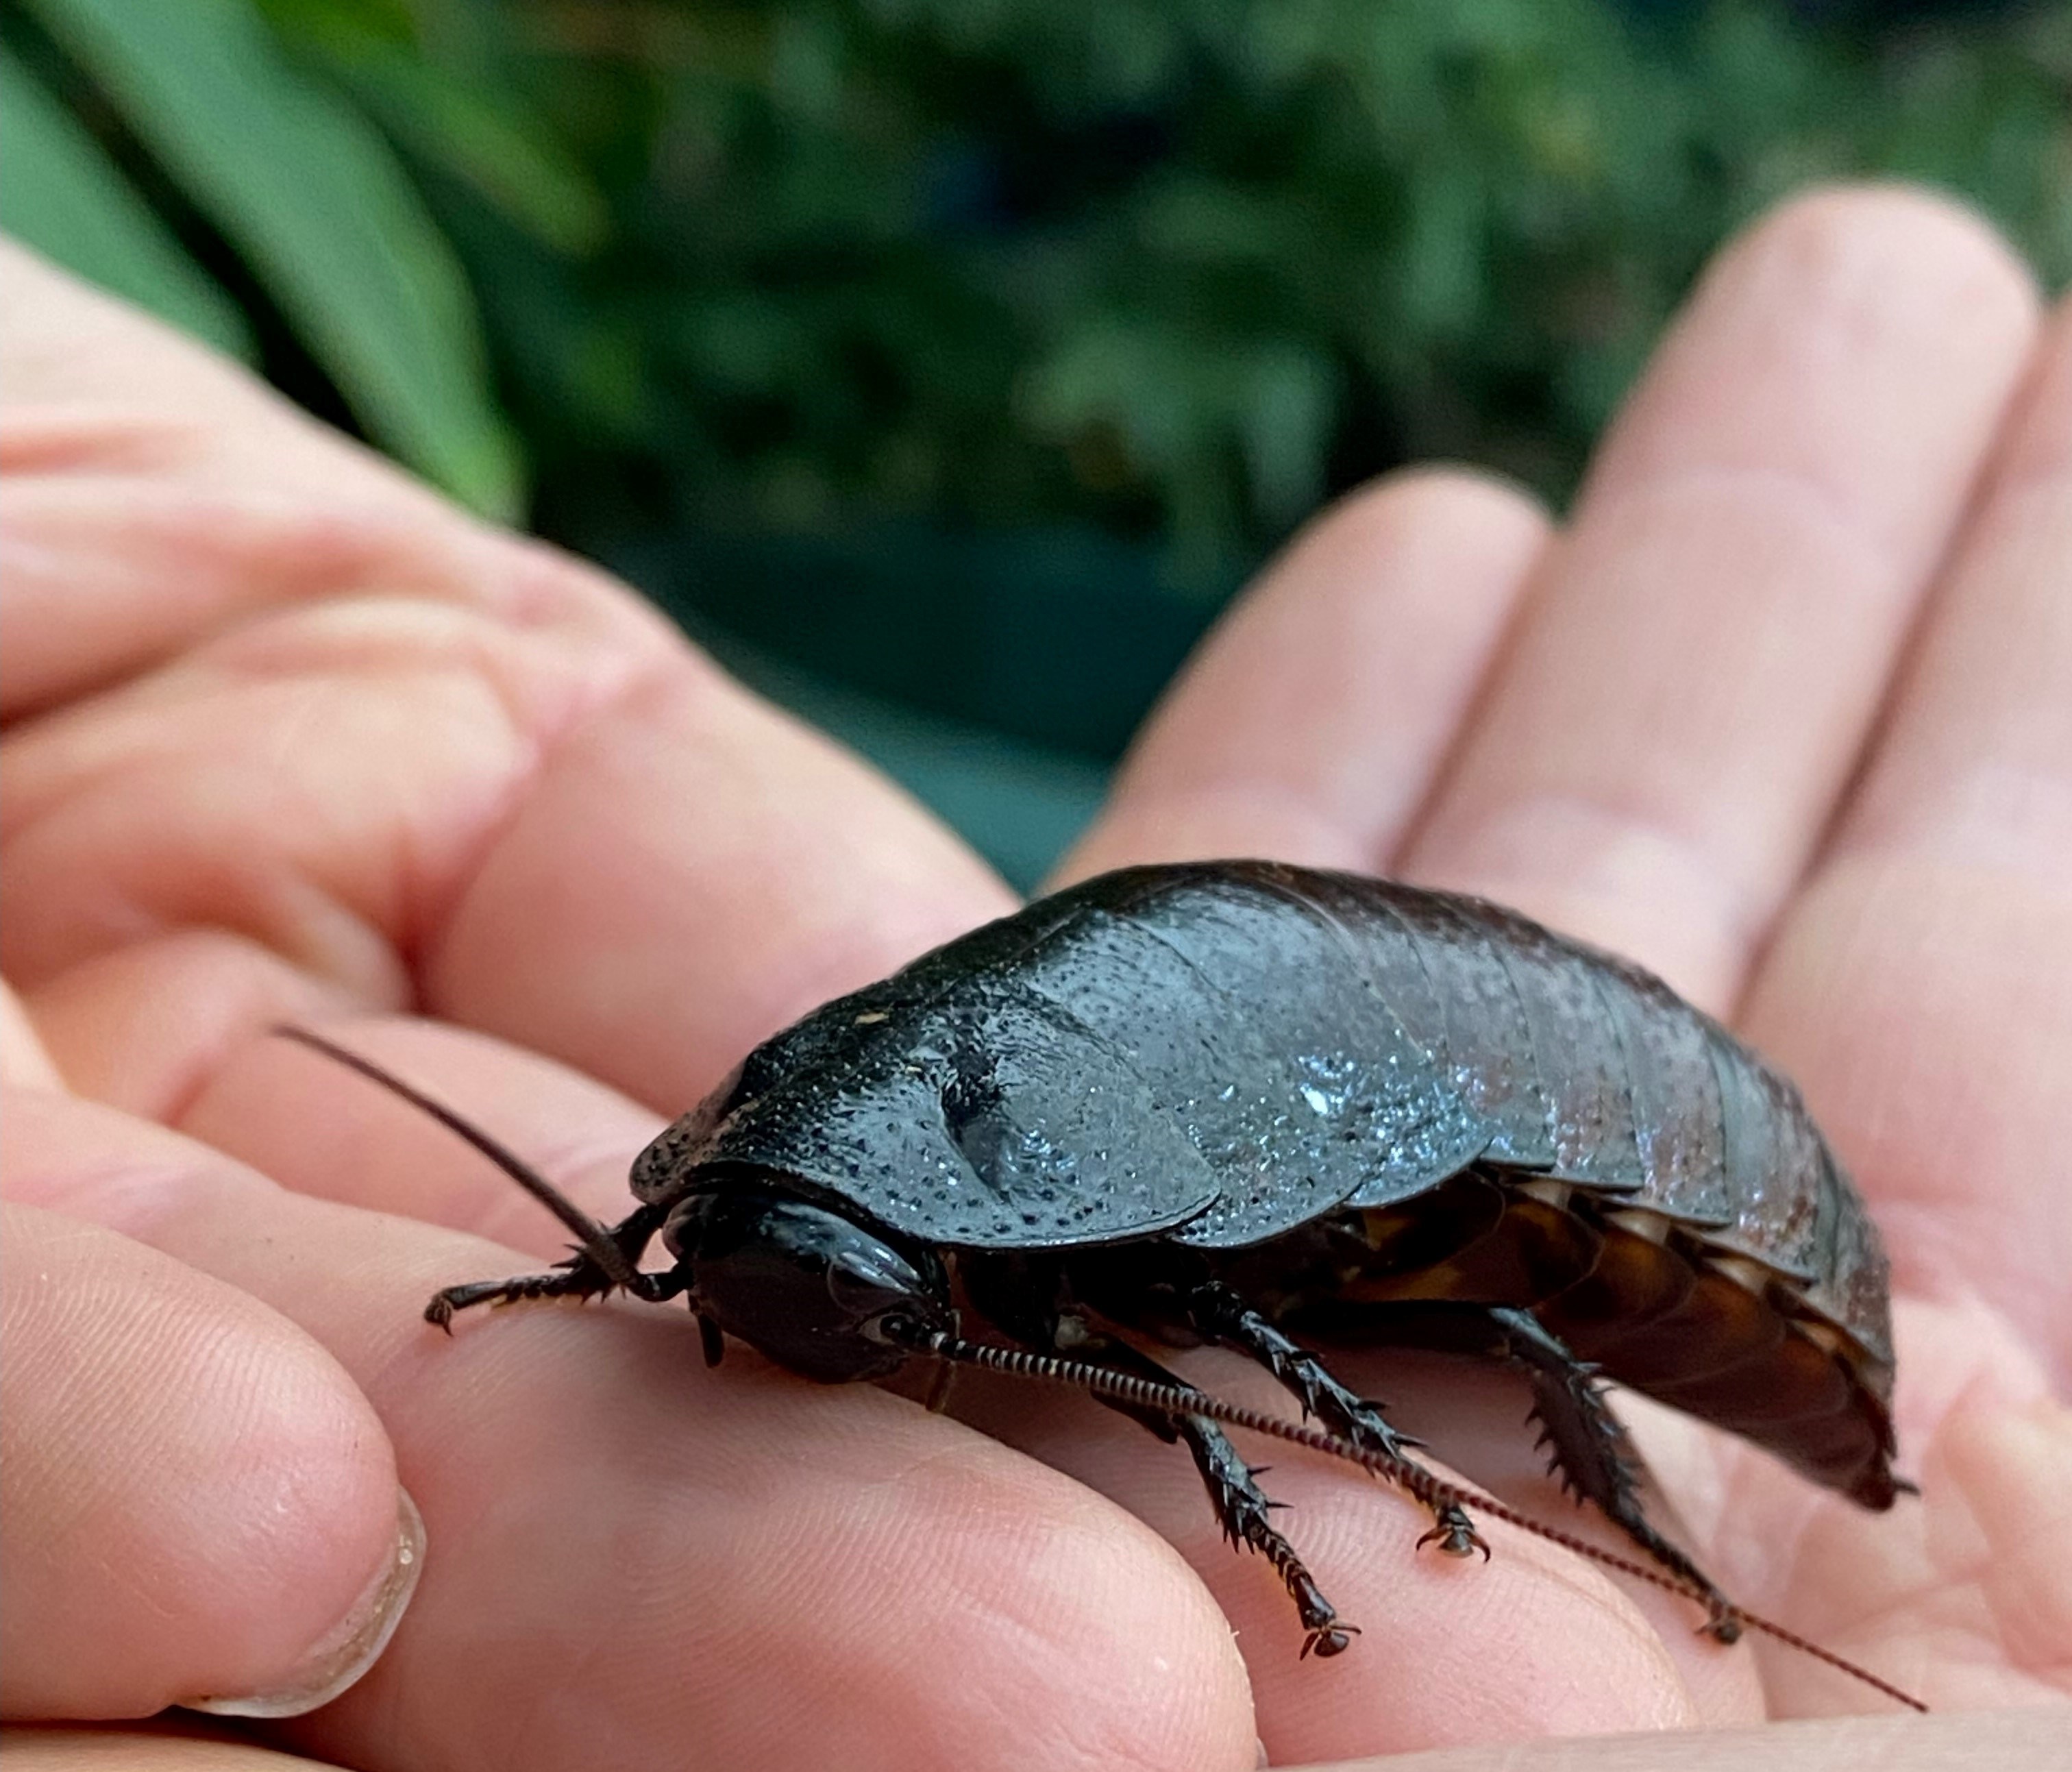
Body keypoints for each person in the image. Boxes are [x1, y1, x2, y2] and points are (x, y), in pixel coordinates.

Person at [1, 182, 2066, 1771]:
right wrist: (623, 1258)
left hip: (1595, 1099)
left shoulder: (1137, 1238)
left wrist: (1281, 1473)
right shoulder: (868, 1168)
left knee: (1507, 1306)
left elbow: (1278, 1332)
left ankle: (1663, 1538)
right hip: (1242, 1039)